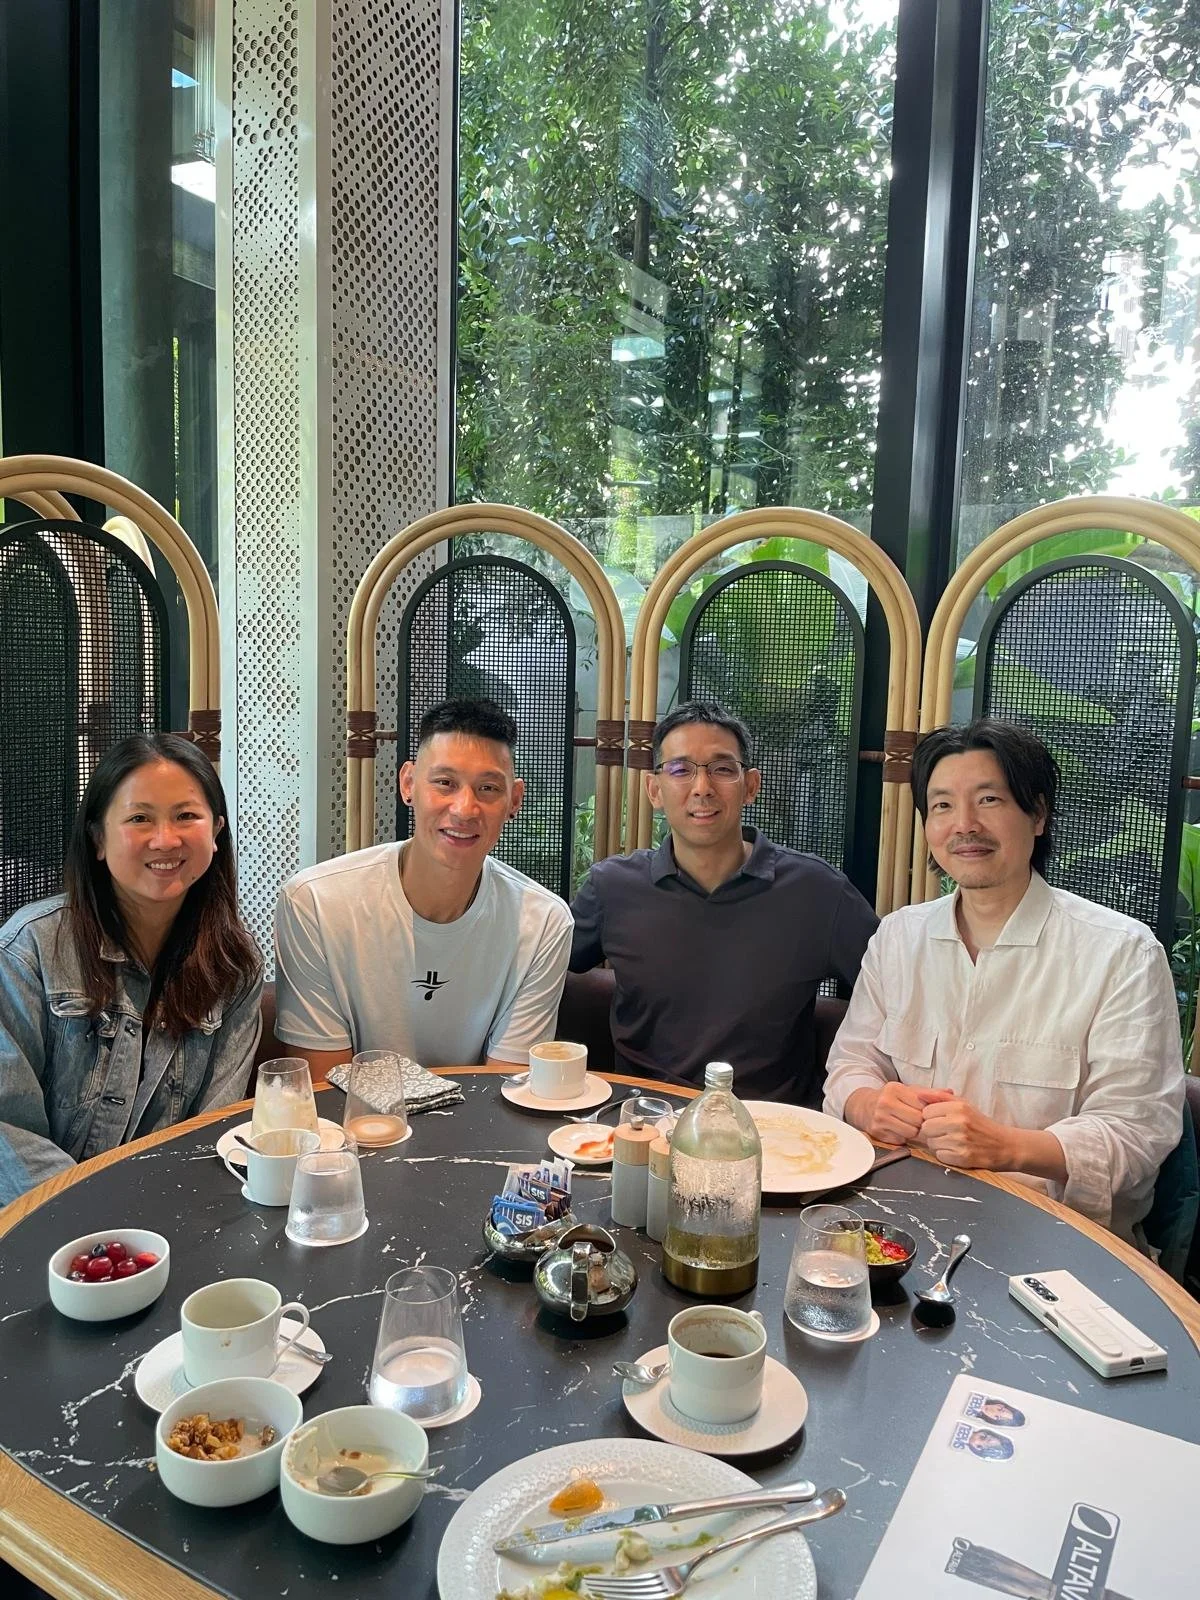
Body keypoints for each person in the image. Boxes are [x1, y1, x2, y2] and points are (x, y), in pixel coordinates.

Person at [823, 718, 1185, 1242]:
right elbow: (852, 1064)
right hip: (896, 1219)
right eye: (943, 805)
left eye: (988, 800)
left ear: (1037, 813)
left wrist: (1007, 1146)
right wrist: (868, 1102)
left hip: (1054, 1240)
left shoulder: (1120, 953)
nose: (964, 825)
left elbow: (1137, 1133)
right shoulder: (899, 937)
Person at [569, 700, 878, 1102]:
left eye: (722, 768)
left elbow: (893, 994)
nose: (702, 788)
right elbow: (548, 974)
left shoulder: (818, 890)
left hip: (775, 1131)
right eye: (680, 769)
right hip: (644, 1119)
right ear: (654, 789)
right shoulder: (612, 888)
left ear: (750, 786)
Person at [0, 735, 263, 1203]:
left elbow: (214, 1129)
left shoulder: (233, 966)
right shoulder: (30, 949)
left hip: (171, 1213)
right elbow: (8, 1131)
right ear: (98, 839)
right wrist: (100, 1217)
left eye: (186, 816)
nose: (165, 839)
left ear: (216, 833)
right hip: (45, 1223)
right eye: (139, 818)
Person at [274, 698, 572, 1078]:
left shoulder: (543, 922)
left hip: (479, 1133)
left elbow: (503, 1090)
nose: (465, 809)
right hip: (354, 1131)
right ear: (408, 784)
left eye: (488, 788)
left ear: (514, 800)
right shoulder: (315, 903)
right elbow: (325, 1089)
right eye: (445, 783)